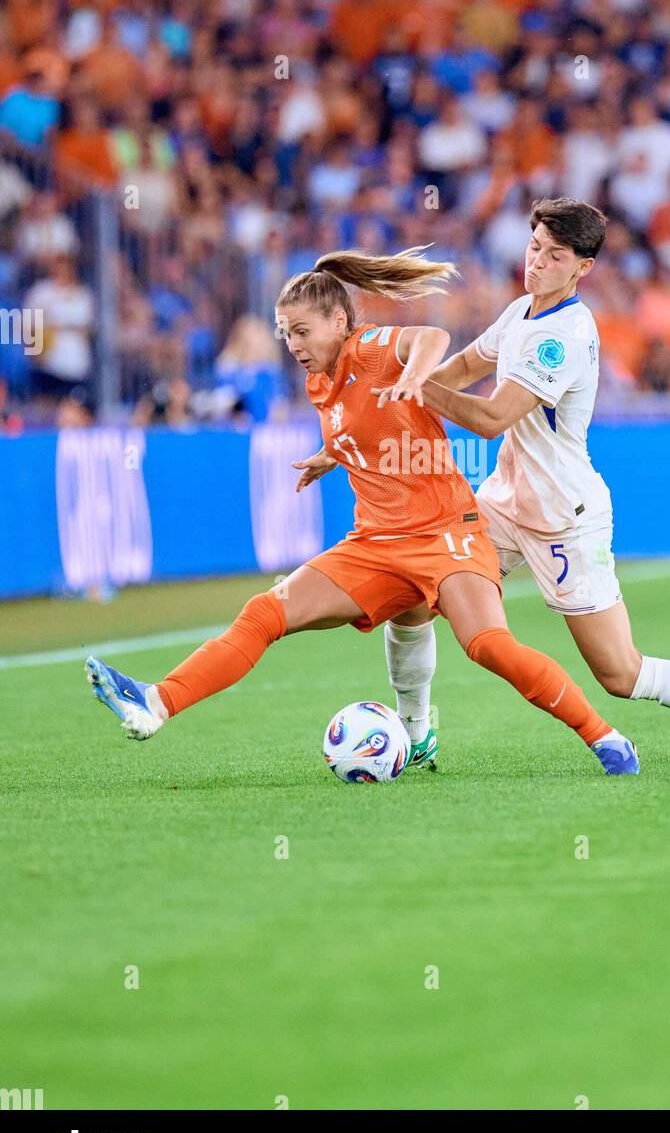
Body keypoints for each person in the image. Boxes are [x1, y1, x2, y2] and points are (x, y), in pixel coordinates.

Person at [85, 246, 639, 776]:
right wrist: (334, 453)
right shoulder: (319, 382)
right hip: (377, 545)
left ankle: (603, 736)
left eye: (303, 331)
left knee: (488, 645)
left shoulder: (369, 346)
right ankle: (155, 702)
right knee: (265, 612)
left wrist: (417, 374)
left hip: (448, 534)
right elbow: (367, 426)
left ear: (339, 322)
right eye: (286, 333)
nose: (294, 344)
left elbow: (431, 336)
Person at [301, 200, 670, 771]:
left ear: (582, 268)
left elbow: (491, 418)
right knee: (414, 596)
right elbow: (462, 369)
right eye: (535, 246)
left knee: (622, 673)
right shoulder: (521, 312)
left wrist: (412, 383)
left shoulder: (563, 336)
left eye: (555, 255)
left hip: (564, 518)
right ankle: (418, 734)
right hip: (501, 505)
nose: (537, 261)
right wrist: (361, 428)